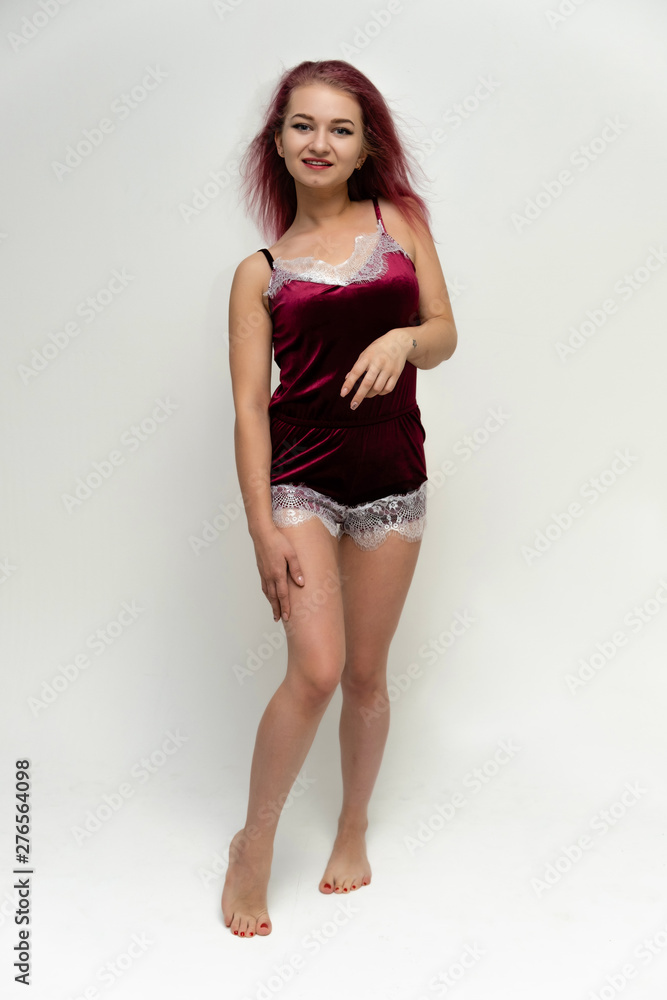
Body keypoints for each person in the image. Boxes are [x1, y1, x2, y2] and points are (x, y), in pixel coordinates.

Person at [222, 59, 457, 938]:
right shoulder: (260, 271)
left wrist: (404, 339)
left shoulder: (399, 222)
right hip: (302, 478)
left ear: (364, 148)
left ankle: (354, 827)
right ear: (277, 142)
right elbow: (249, 408)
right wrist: (260, 530)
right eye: (302, 126)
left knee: (365, 675)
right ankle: (254, 845)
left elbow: (444, 330)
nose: (319, 142)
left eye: (340, 128)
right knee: (316, 670)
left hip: (394, 469)